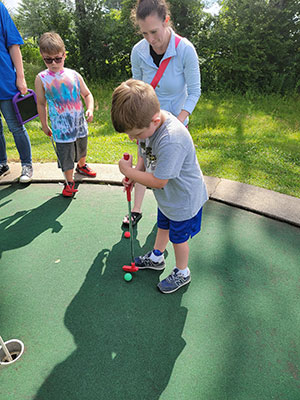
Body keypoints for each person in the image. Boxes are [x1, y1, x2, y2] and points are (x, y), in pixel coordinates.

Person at [111, 79, 208, 294]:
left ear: (155, 121)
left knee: (178, 238)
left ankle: (182, 272)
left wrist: (128, 172)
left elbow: (159, 181)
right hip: (168, 198)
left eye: (135, 134)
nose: (132, 138)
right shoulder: (149, 125)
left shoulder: (172, 139)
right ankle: (156, 257)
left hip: (183, 199)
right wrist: (135, 173)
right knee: (163, 225)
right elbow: (144, 155)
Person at [122, 0, 201, 226]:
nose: (151, 39)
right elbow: (137, 89)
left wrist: (177, 122)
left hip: (174, 124)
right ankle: (136, 210)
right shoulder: (138, 51)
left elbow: (194, 92)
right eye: (144, 33)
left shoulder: (185, 49)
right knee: (142, 162)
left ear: (166, 21)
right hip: (146, 122)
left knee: (167, 175)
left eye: (154, 32)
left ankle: (168, 217)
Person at [35, 32, 96, 197]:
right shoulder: (41, 78)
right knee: (66, 156)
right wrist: (44, 124)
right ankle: (69, 182)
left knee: (82, 148)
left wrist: (89, 109)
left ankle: (82, 166)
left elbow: (87, 94)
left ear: (64, 55)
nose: (54, 63)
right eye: (48, 59)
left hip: (79, 124)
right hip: (61, 128)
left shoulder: (74, 75)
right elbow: (41, 103)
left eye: (57, 58)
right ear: (42, 56)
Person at [0, 2, 33, 183]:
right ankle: (1, 164)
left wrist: (20, 77)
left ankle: (26, 165)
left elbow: (13, 44)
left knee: (15, 126)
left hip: (4, 81)